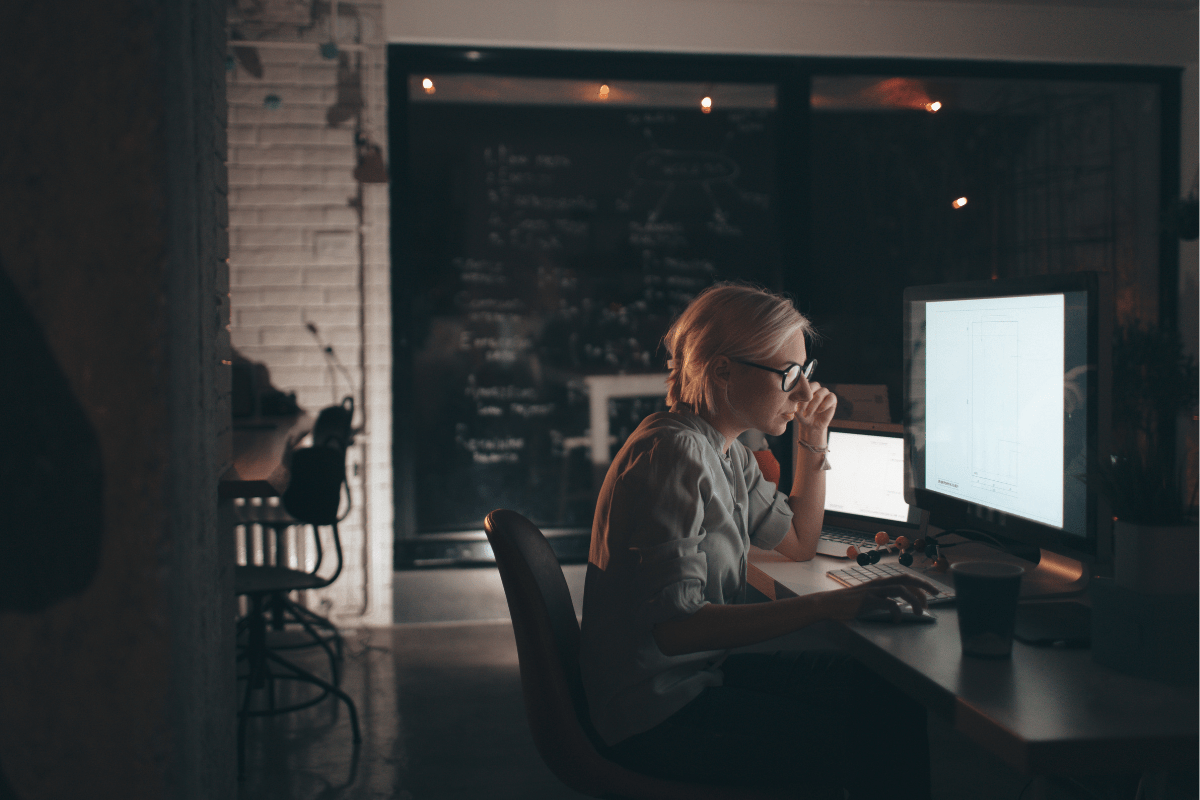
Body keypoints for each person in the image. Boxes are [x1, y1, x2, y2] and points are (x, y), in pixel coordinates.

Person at [579, 282, 936, 799]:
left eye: (806, 375)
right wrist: (826, 606)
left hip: (696, 677)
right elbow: (675, 631)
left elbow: (797, 542)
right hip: (656, 713)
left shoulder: (728, 452)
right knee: (870, 737)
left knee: (889, 694)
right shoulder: (675, 453)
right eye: (789, 375)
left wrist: (812, 435)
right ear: (722, 371)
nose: (804, 393)